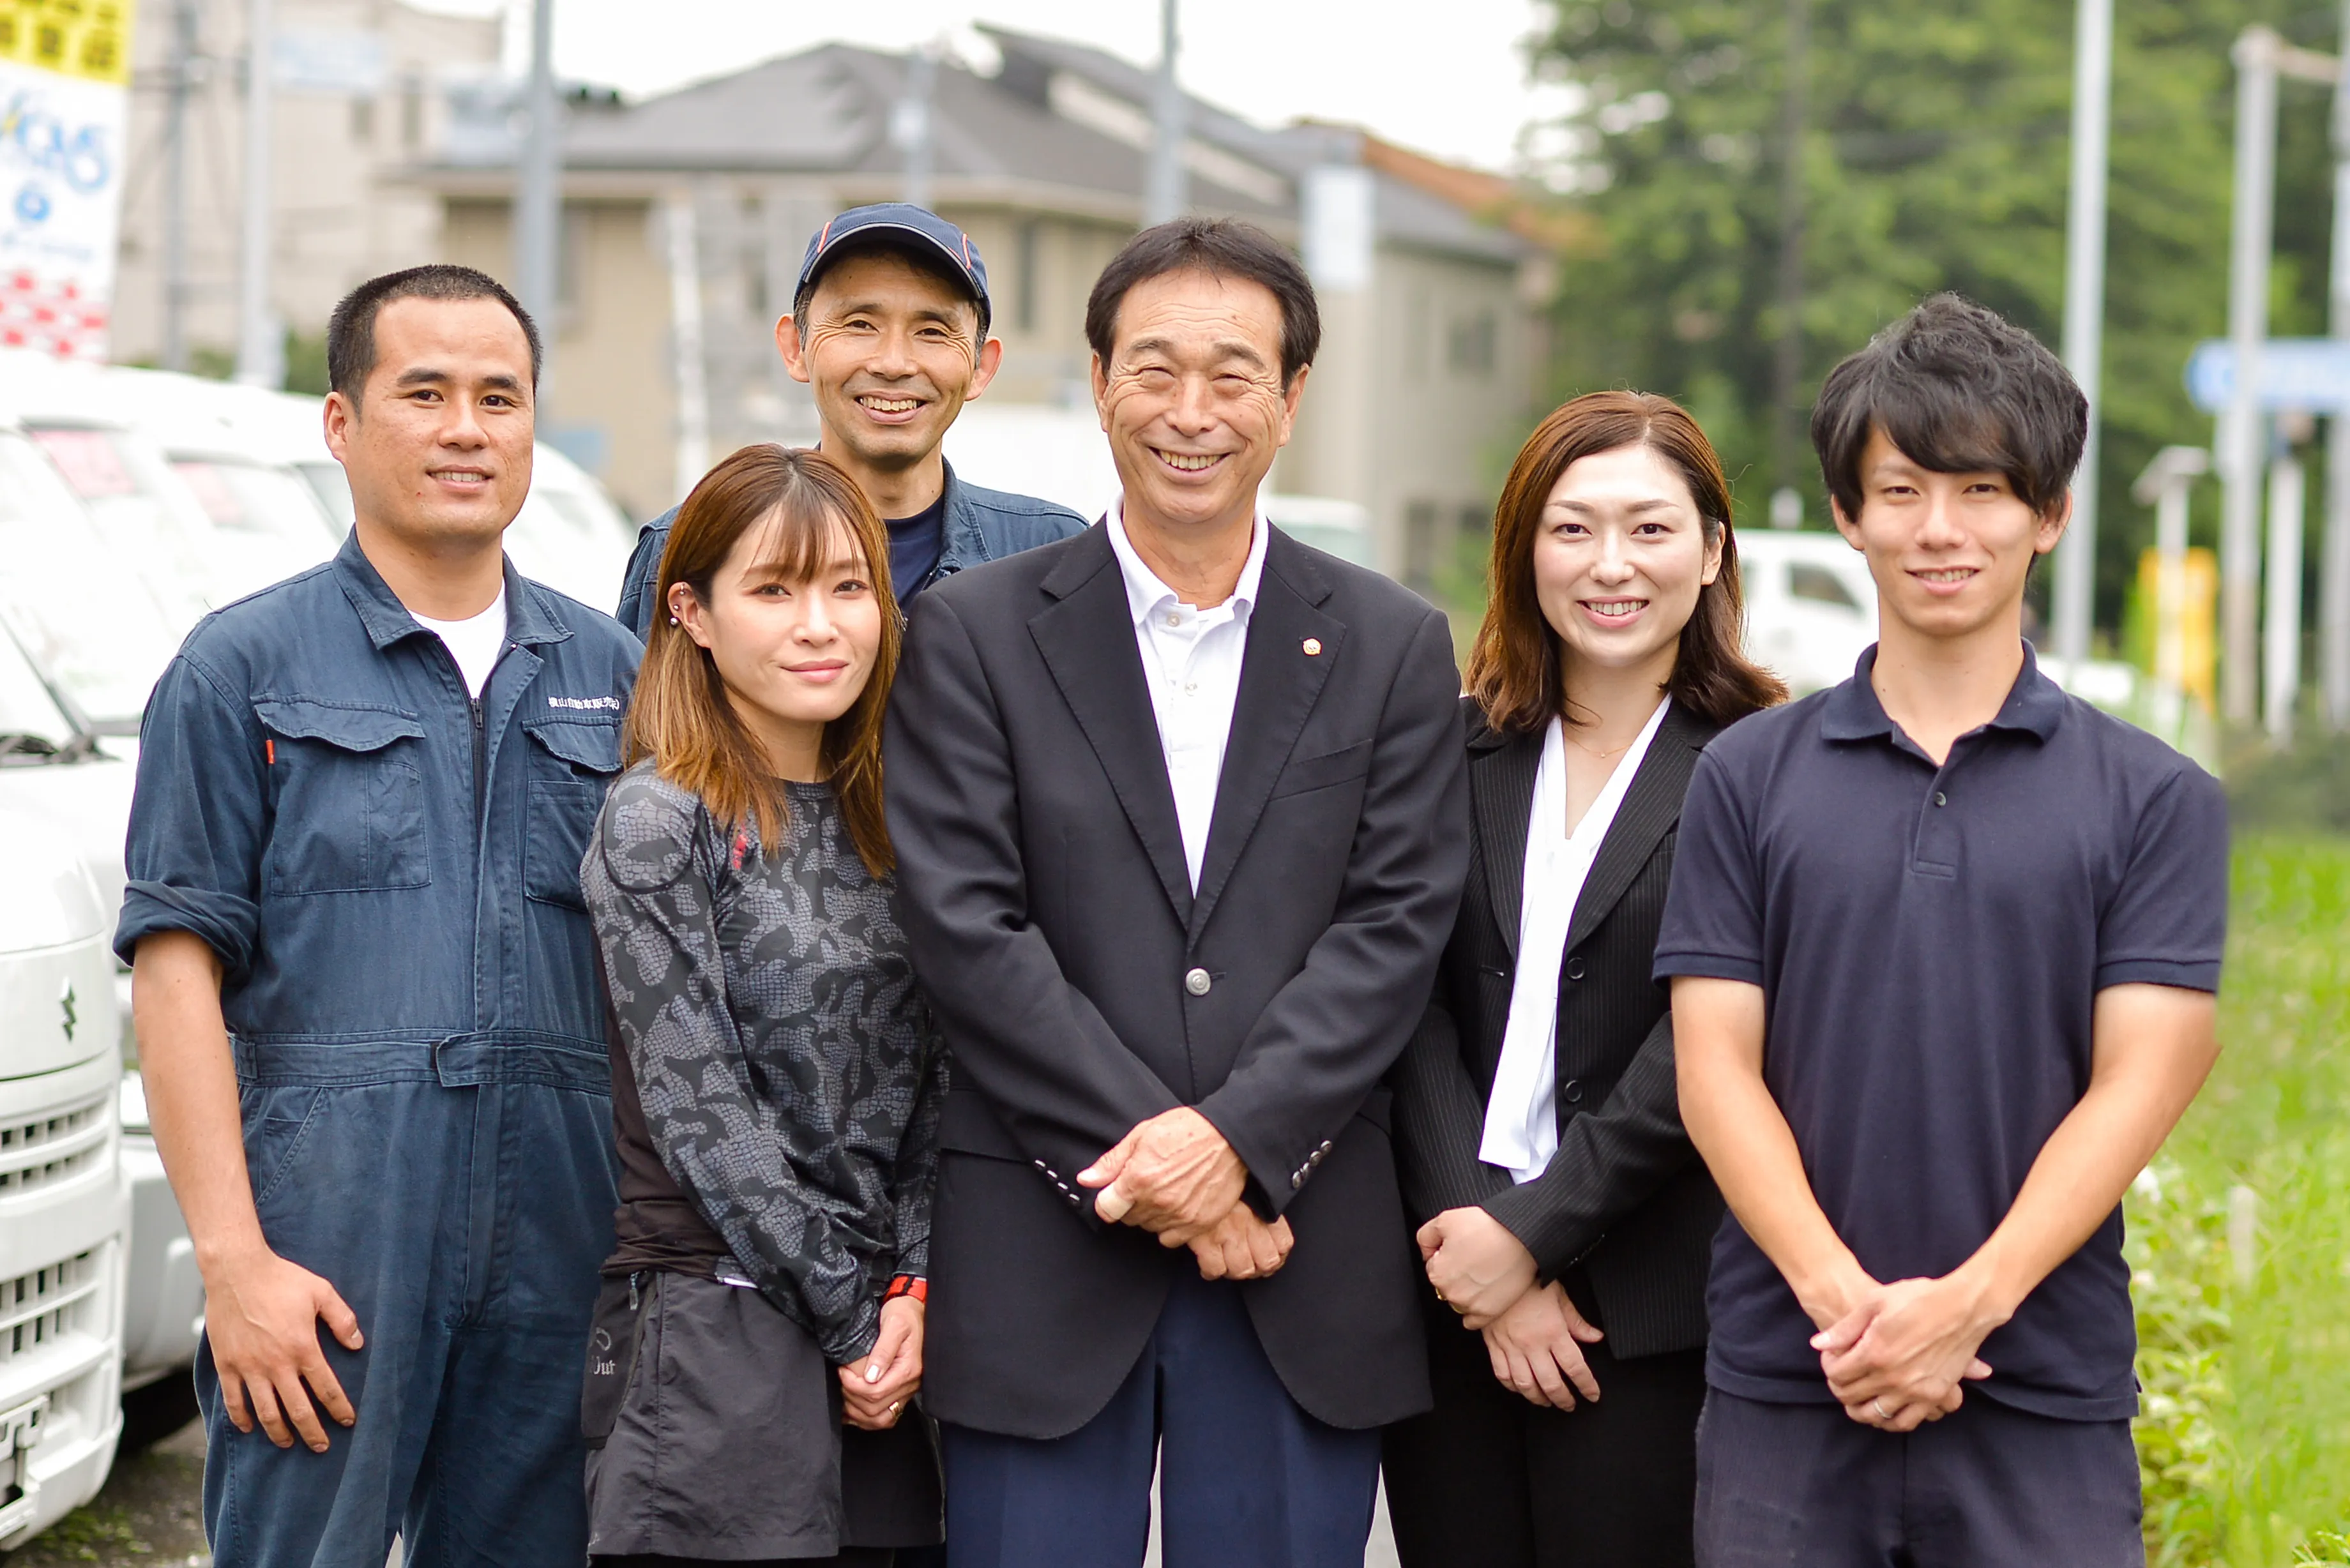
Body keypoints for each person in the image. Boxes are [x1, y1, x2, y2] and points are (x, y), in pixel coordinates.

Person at [883, 216, 1469, 1568]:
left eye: (1231, 374)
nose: (1189, 413)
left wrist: (1237, 1146)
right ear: (1097, 384)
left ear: (1292, 397)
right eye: (1153, 370)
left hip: (1296, 1248)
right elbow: (966, 925)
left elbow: (1393, 928)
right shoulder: (975, 632)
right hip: (1046, 1242)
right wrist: (1165, 1159)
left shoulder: (1388, 643)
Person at [1658, 294, 2229, 1566]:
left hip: (2040, 1387)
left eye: (1981, 490)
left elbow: (2143, 1079)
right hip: (1791, 1377)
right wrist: (1847, 1309)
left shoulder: (2155, 799)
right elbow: (1714, 1068)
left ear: (2049, 515)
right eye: (1901, 490)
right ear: (1848, 515)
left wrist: (1968, 1308)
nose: (1940, 529)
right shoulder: (1747, 777)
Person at [117, 266, 640, 1565]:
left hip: (561, 1254)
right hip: (326, 1248)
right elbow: (175, 973)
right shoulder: (241, 669)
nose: (468, 428)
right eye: (426, 392)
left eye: (499, 397)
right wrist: (233, 1265)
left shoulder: (616, 680)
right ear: (342, 424)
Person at [1384, 392, 1786, 1568]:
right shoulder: (1444, 750)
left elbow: (1708, 1043)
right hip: (1448, 1290)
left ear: (1712, 552)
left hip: (1648, 1312)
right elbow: (1406, 1009)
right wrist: (1484, 1254)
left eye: (1651, 530)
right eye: (1573, 529)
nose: (1612, 565)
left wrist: (1538, 1239)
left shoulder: (1766, 768)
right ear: (1523, 551)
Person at [579, 445, 944, 1566]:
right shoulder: (659, 820)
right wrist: (848, 1319)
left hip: (896, 1340)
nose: (820, 625)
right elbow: (705, 1116)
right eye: (775, 590)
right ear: (690, 610)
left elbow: (941, 1075)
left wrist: (914, 1289)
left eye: (847, 587)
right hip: (717, 1331)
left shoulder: (903, 811)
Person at [615, 203, 1084, 637]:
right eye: (860, 324)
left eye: (932, 331)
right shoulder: (693, 549)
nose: (894, 363)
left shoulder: (1052, 555)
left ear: (982, 367)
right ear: (795, 347)